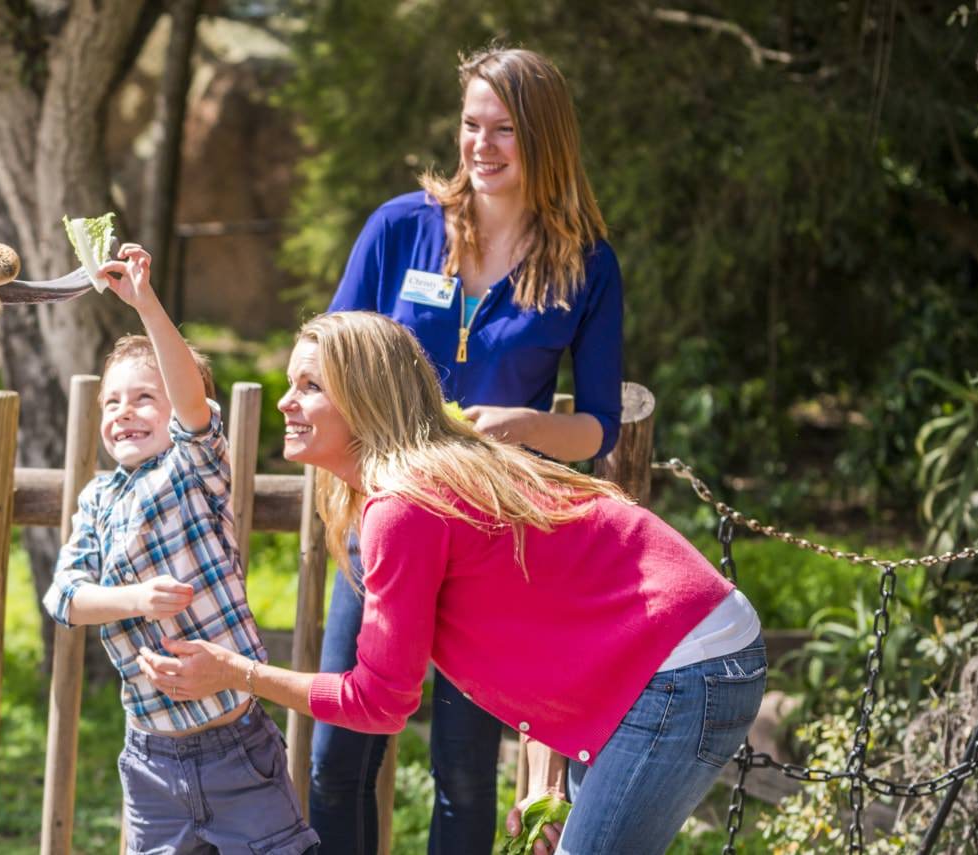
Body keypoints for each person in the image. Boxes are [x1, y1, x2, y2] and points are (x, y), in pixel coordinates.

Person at [137, 312, 764, 855]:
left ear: (365, 399)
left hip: (684, 663)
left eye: (310, 386)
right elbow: (549, 620)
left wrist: (238, 672)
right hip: (679, 653)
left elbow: (379, 702)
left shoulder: (403, 506)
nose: (285, 401)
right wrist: (554, 775)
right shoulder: (422, 482)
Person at [317, 45, 624, 853]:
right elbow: (328, 355)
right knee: (335, 758)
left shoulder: (587, 264)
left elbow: (597, 428)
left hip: (491, 540)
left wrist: (520, 426)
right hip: (380, 522)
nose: (481, 146)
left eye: (505, 129)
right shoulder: (399, 229)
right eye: (471, 125)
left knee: (462, 771)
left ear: (546, 140)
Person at [42, 244, 318, 854]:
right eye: (112, 402)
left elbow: (191, 407)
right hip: (150, 761)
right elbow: (65, 598)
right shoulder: (97, 500)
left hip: (237, 752)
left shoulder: (193, 470)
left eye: (144, 398)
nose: (124, 412)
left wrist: (145, 305)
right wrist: (133, 598)